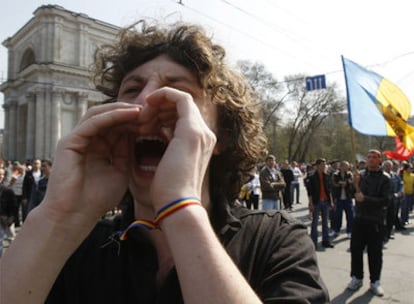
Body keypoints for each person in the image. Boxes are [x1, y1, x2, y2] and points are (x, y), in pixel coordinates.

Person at [0, 21, 329, 303]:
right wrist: (59, 216)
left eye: (177, 92)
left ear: (221, 137)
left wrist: (180, 208)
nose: (145, 103)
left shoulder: (277, 240)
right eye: (132, 89)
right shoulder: (78, 246)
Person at [347, 149, 392, 297]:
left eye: (374, 157)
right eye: (369, 157)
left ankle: (375, 281)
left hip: (376, 221)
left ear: (379, 160)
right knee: (355, 249)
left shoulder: (385, 178)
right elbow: (351, 194)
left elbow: (385, 200)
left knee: (375, 253)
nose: (371, 159)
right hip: (360, 219)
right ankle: (357, 277)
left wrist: (365, 199)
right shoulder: (361, 175)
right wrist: (353, 184)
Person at [306, 158, 335, 249]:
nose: (324, 166)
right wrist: (310, 204)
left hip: (326, 201)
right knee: (314, 223)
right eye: (322, 164)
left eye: (325, 164)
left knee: (325, 222)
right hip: (316, 201)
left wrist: (331, 202)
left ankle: (325, 241)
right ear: (317, 165)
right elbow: (309, 192)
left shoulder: (327, 175)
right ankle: (313, 242)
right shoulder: (311, 176)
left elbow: (329, 190)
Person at [331, 160, 354, 239]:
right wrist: (340, 184)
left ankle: (350, 231)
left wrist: (346, 183)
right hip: (339, 198)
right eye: (343, 166)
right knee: (337, 215)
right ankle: (336, 230)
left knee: (350, 215)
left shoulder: (350, 174)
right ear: (340, 167)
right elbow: (334, 183)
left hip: (348, 198)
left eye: (346, 166)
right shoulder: (335, 174)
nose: (345, 167)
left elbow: (352, 182)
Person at [0, 168, 17, 257]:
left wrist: (11, 217)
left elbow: (13, 206)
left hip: (2, 219)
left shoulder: (7, 191)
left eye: (1, 174)